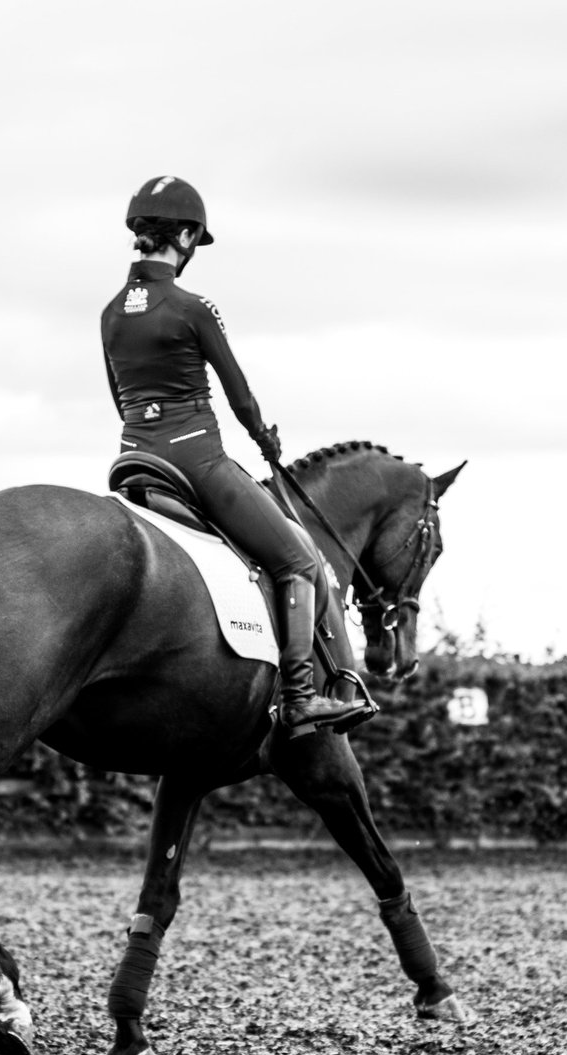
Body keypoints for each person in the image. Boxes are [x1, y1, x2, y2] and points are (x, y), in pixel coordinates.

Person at [101, 175, 374, 737]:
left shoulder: (109, 313)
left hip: (134, 461)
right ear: (183, 234)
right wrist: (264, 441)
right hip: (196, 461)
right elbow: (238, 391)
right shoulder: (193, 307)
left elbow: (119, 396)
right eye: (193, 243)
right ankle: (300, 697)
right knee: (298, 560)